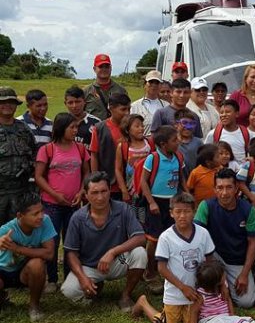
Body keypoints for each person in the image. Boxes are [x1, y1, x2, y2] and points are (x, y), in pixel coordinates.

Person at [61, 171, 147, 311]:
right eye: (94, 193)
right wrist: (82, 277)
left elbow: (140, 237)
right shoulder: (77, 218)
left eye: (104, 191)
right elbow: (71, 253)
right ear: (86, 195)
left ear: (109, 191)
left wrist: (113, 252)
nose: (100, 197)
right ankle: (96, 286)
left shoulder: (123, 209)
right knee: (69, 291)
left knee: (140, 253)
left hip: (117, 261)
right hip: (89, 266)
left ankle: (125, 296)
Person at [132, 192, 215, 323]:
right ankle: (143, 303)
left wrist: (211, 286)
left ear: (194, 212)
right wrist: (183, 287)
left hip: (195, 292)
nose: (183, 216)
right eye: (178, 212)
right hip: (175, 292)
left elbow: (210, 262)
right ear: (171, 213)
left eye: (187, 211)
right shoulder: (166, 237)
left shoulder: (203, 233)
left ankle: (185, 311)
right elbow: (162, 268)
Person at [34, 113, 90, 292]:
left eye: (76, 127)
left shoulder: (80, 148)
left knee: (72, 241)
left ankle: (69, 276)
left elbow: (86, 174)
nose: (75, 131)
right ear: (61, 128)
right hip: (51, 204)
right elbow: (38, 177)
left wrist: (82, 191)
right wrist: (54, 195)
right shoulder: (48, 150)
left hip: (74, 204)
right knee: (52, 240)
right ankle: (52, 278)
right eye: (71, 127)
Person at [195, 168, 255, 308]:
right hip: (213, 256)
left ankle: (234, 282)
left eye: (229, 187)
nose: (224, 193)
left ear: (236, 188)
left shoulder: (248, 209)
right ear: (214, 189)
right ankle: (214, 283)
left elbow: (253, 242)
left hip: (236, 260)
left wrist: (244, 274)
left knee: (246, 302)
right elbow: (197, 237)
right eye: (220, 188)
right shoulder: (206, 206)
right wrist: (211, 266)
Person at [140, 126, 185, 287]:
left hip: (172, 202)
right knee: (153, 238)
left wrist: (186, 195)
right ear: (163, 144)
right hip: (156, 203)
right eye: (174, 140)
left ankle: (168, 268)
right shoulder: (153, 158)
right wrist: (151, 202)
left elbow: (181, 179)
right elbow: (143, 181)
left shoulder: (178, 157)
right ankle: (150, 272)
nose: (178, 141)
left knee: (171, 235)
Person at [0, 192, 56, 322]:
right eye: (35, 214)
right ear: (20, 216)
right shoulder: (6, 230)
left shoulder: (45, 221)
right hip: (3, 271)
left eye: (41, 211)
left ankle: (34, 306)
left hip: (23, 272)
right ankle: (2, 298)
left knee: (37, 264)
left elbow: (49, 253)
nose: (41, 216)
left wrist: (17, 249)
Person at [0, 87, 37, 226]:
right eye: (3, 102)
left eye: (11, 102)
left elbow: (33, 155)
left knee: (18, 232)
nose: (7, 105)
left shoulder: (24, 129)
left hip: (20, 192)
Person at [90, 93, 131, 200]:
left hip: (129, 184)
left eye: (129, 109)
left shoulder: (131, 127)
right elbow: (94, 155)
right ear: (111, 109)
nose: (127, 113)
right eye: (123, 109)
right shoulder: (100, 128)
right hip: (108, 184)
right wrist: (96, 179)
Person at [115, 114, 152, 213]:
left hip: (149, 191)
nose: (141, 128)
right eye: (137, 126)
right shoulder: (123, 147)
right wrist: (124, 190)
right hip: (131, 191)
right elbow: (118, 169)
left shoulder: (149, 144)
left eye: (142, 126)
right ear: (127, 130)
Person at [83, 54, 127, 120]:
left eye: (107, 66)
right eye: (101, 67)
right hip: (93, 129)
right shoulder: (86, 91)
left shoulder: (121, 90)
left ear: (111, 68)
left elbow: (127, 113)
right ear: (94, 69)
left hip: (116, 129)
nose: (104, 69)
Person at [205, 99, 250, 164]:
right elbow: (206, 154)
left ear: (237, 114)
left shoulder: (245, 133)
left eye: (228, 112)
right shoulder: (213, 134)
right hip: (221, 172)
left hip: (241, 172)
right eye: (221, 112)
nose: (224, 115)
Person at [130, 70, 166, 137]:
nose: (153, 85)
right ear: (145, 85)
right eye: (151, 82)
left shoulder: (166, 106)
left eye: (157, 83)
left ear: (160, 86)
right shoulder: (134, 106)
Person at [64, 86, 100, 150]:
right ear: (65, 104)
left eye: (78, 102)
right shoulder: (61, 122)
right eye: (70, 103)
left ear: (84, 102)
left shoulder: (96, 123)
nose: (74, 106)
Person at [175, 108, 203, 179]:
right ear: (176, 124)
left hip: (195, 181)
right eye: (184, 123)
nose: (188, 127)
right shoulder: (171, 142)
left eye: (191, 123)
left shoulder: (198, 143)